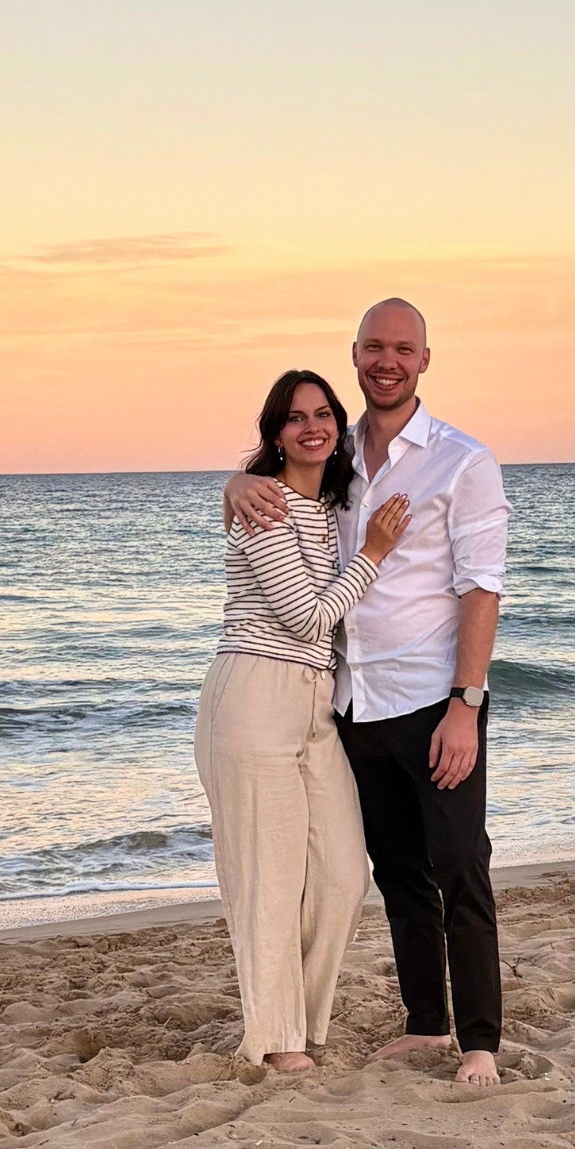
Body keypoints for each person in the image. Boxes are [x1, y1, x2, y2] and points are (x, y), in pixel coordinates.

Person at [225, 300, 510, 1087]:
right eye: (375, 347)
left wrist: (467, 704)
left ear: (425, 359)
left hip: (432, 698)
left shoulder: (462, 460)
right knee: (396, 872)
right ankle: (427, 1025)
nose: (388, 361)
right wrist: (232, 484)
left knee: (459, 865)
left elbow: (481, 589)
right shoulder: (339, 455)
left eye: (403, 349)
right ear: (356, 354)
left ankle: (480, 1041)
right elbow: (274, 493)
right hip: (351, 703)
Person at [195, 369, 410, 1073]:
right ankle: (278, 1038)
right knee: (268, 881)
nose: (310, 426)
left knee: (345, 875)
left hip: (318, 705)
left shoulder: (331, 508)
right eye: (294, 418)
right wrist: (376, 553)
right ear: (274, 432)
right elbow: (309, 615)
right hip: (254, 697)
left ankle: (302, 1022)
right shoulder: (266, 508)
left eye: (322, 414)